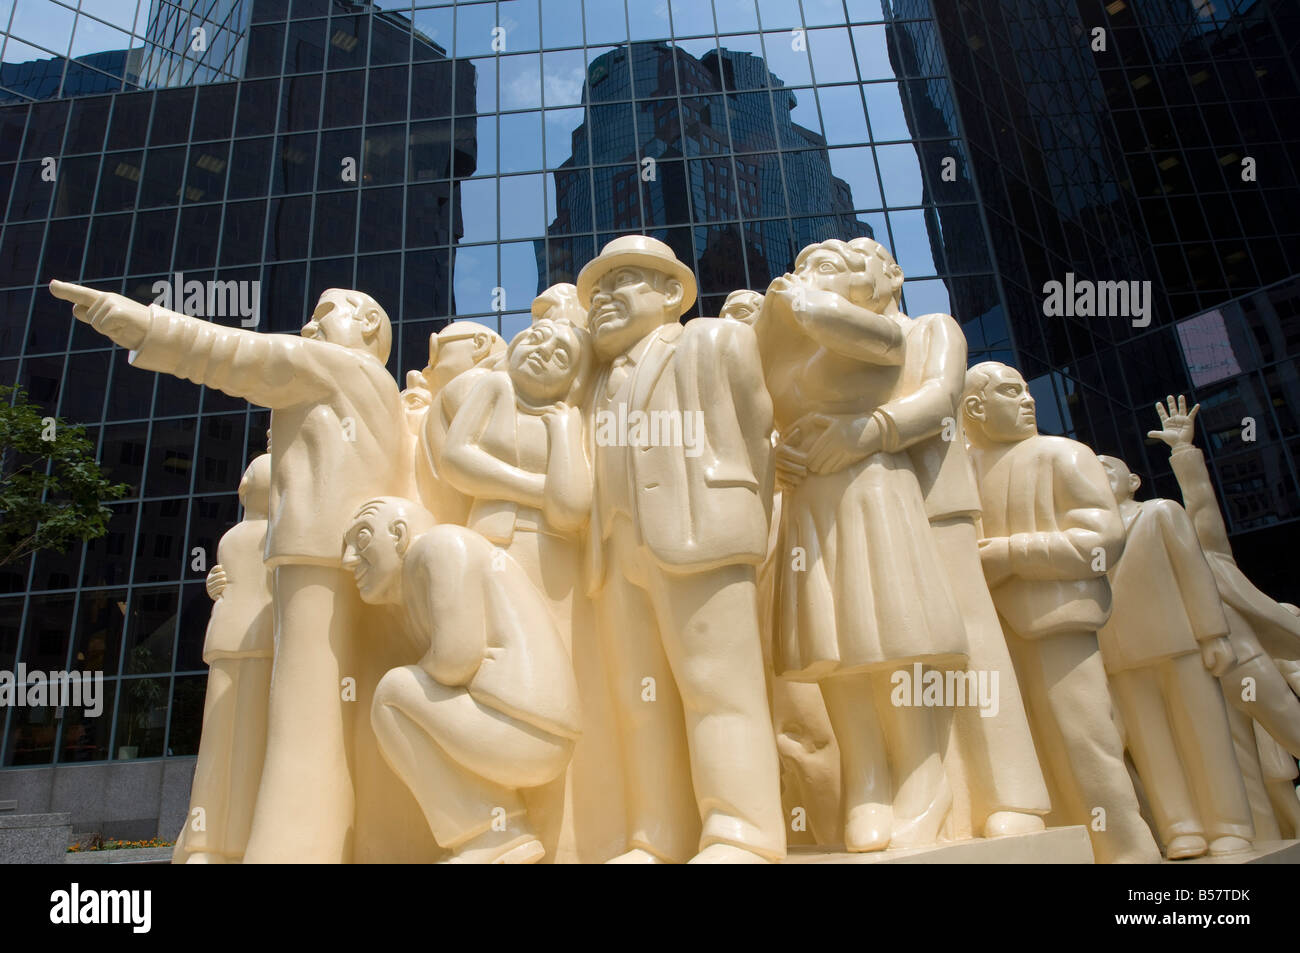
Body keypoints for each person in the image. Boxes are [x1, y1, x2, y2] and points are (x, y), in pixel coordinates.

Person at [50, 280, 408, 863]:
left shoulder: (338, 367)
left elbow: (238, 355)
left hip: (317, 558)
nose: (309, 330)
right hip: (342, 559)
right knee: (320, 707)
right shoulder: (374, 391)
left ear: (369, 325)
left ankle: (294, 848)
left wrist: (143, 325)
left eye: (322, 316)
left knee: (306, 708)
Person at [753, 237, 968, 852]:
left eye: (826, 267)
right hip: (810, 502)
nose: (804, 278)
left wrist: (873, 430)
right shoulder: (796, 339)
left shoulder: (894, 330)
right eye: (799, 268)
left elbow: (938, 397)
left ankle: (924, 779)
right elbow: (767, 408)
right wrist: (781, 454)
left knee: (891, 632)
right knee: (832, 643)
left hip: (874, 486)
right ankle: (867, 780)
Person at [578, 235, 785, 863]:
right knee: (639, 702)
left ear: (673, 293)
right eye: (599, 290)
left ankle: (742, 835)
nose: (606, 298)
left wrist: (737, 521)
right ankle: (655, 837)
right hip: (616, 550)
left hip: (700, 533)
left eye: (626, 282)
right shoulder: (593, 377)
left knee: (718, 688)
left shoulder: (712, 341)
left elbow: (757, 435)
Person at [440, 314, 625, 861]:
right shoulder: (494, 387)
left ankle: (566, 842)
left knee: (555, 690)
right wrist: (535, 487)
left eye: (563, 355)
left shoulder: (568, 420)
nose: (544, 351)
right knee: (488, 681)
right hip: (491, 549)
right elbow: (457, 458)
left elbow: (570, 510)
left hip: (553, 564)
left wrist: (562, 428)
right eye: (536, 339)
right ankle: (496, 829)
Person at [960, 361, 1159, 863]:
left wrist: (1007, 554)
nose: (1028, 400)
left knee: (1085, 740)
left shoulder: (1064, 455)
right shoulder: (956, 469)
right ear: (975, 408)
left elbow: (1100, 541)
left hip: (1056, 623)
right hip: (985, 634)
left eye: (1026, 391)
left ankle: (1129, 854)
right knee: (1007, 749)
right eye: (1011, 392)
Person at [342, 497, 581, 864]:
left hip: (526, 724)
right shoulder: (432, 564)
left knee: (394, 693)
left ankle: (493, 838)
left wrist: (429, 673)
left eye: (361, 540)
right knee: (403, 694)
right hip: (530, 726)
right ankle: (497, 834)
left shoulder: (440, 546)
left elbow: (456, 659)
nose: (348, 560)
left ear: (399, 534)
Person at [1149, 395, 1300, 836]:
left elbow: (1200, 507)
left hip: (1241, 661)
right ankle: (1268, 842)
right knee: (1236, 766)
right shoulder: (1126, 565)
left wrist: (1183, 452)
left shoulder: (1204, 553)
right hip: (1193, 673)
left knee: (1290, 727)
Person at [1095, 454, 1252, 858]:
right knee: (1152, 747)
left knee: (1206, 737)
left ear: (1133, 480)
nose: (1096, 473)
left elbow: (1192, 570)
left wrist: (1213, 633)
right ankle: (1180, 827)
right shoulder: (1089, 532)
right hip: (1122, 655)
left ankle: (1229, 824)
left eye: (1106, 467)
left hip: (1180, 644)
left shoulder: (1162, 513)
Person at [173, 454, 273, 864]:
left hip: (255, 643)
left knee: (242, 741)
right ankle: (212, 840)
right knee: (227, 740)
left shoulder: (273, 532)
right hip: (236, 642)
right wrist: (217, 586)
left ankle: (228, 839)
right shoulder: (235, 537)